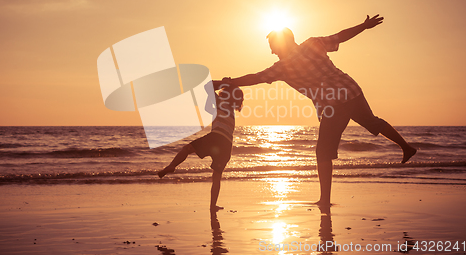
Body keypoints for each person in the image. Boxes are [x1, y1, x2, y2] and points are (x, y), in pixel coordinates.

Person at [222, 14, 417, 206]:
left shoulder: (283, 67)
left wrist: (231, 82)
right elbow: (341, 36)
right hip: (351, 89)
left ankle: (325, 200)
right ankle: (406, 147)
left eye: (273, 47)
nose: (273, 52)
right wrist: (363, 26)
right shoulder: (312, 44)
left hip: (335, 103)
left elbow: (255, 78)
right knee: (373, 121)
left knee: (323, 152)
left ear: (281, 44)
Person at [158, 82, 244, 211]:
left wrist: (224, 82)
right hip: (227, 145)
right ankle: (212, 206)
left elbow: (207, 86)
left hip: (216, 138)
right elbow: (208, 108)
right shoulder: (230, 109)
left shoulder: (221, 102)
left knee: (187, 149)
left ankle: (172, 166)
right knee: (216, 178)